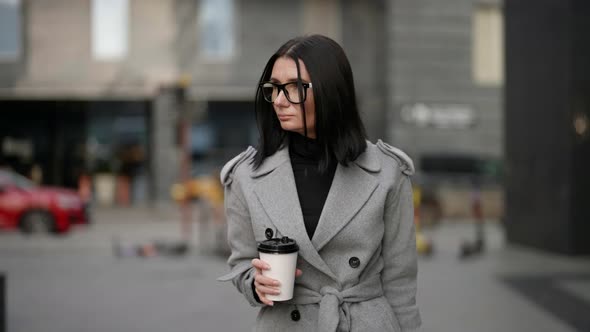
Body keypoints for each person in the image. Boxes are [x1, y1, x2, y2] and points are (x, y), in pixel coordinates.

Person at [218, 34, 421, 332]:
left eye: (295, 88)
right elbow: (242, 262)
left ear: (331, 91)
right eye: (274, 88)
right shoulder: (246, 176)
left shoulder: (387, 172)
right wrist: (255, 282)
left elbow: (400, 281)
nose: (279, 100)